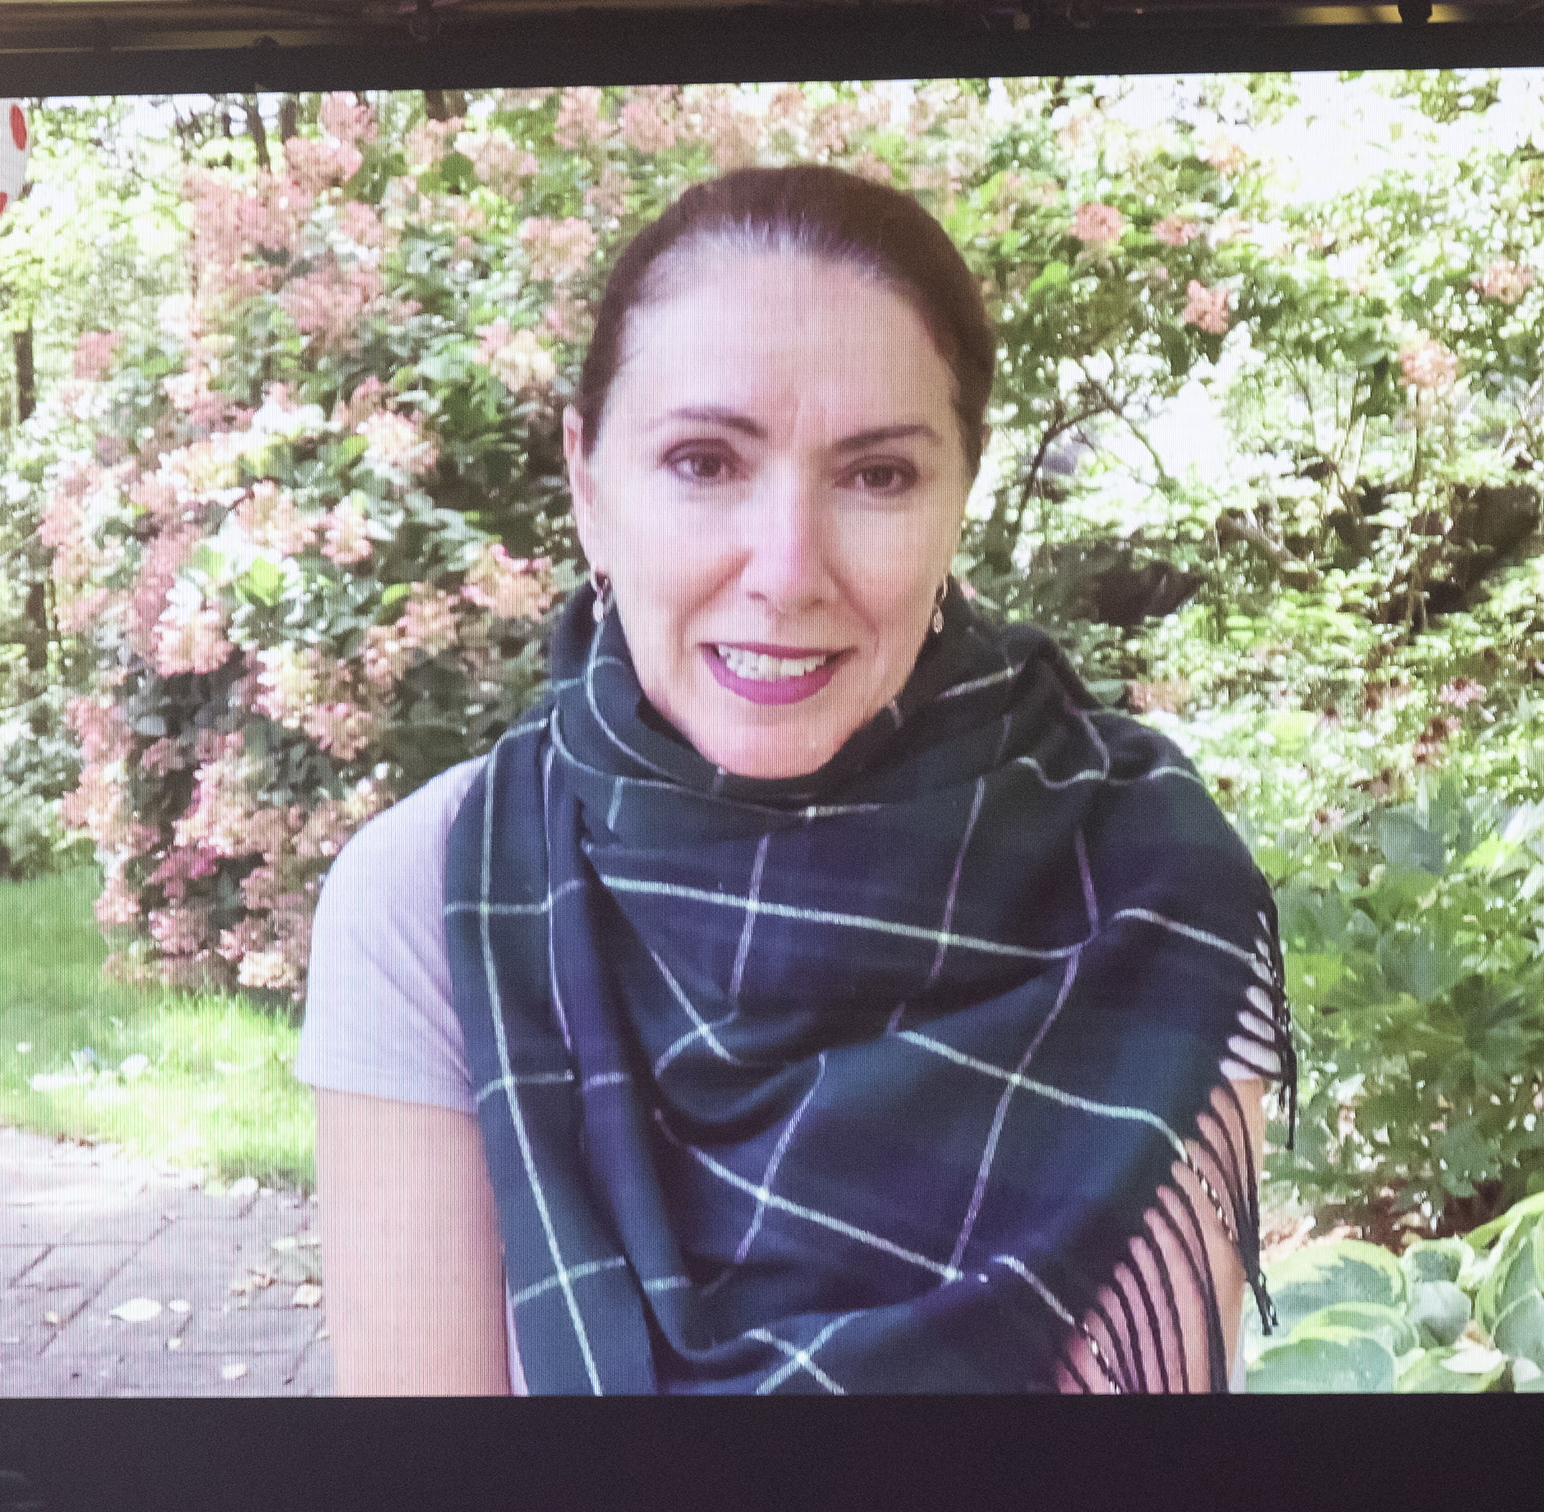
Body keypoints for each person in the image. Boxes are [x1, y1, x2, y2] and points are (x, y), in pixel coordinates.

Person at [295, 165, 1294, 1395]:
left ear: (958, 496)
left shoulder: (1149, 892)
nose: (787, 570)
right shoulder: (431, 899)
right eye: (704, 462)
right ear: (590, 486)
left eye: (878, 476)